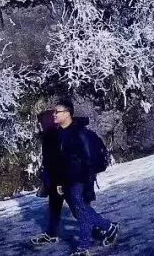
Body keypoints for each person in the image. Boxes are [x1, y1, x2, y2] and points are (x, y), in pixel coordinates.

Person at [30, 98, 120, 255]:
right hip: (67, 179)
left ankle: (83, 248)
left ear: (67, 113)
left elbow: (87, 160)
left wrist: (85, 180)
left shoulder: (79, 133)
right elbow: (59, 160)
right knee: (81, 211)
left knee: (81, 211)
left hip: (79, 179)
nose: (54, 115)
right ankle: (109, 227)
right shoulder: (59, 133)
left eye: (57, 112)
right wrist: (57, 181)